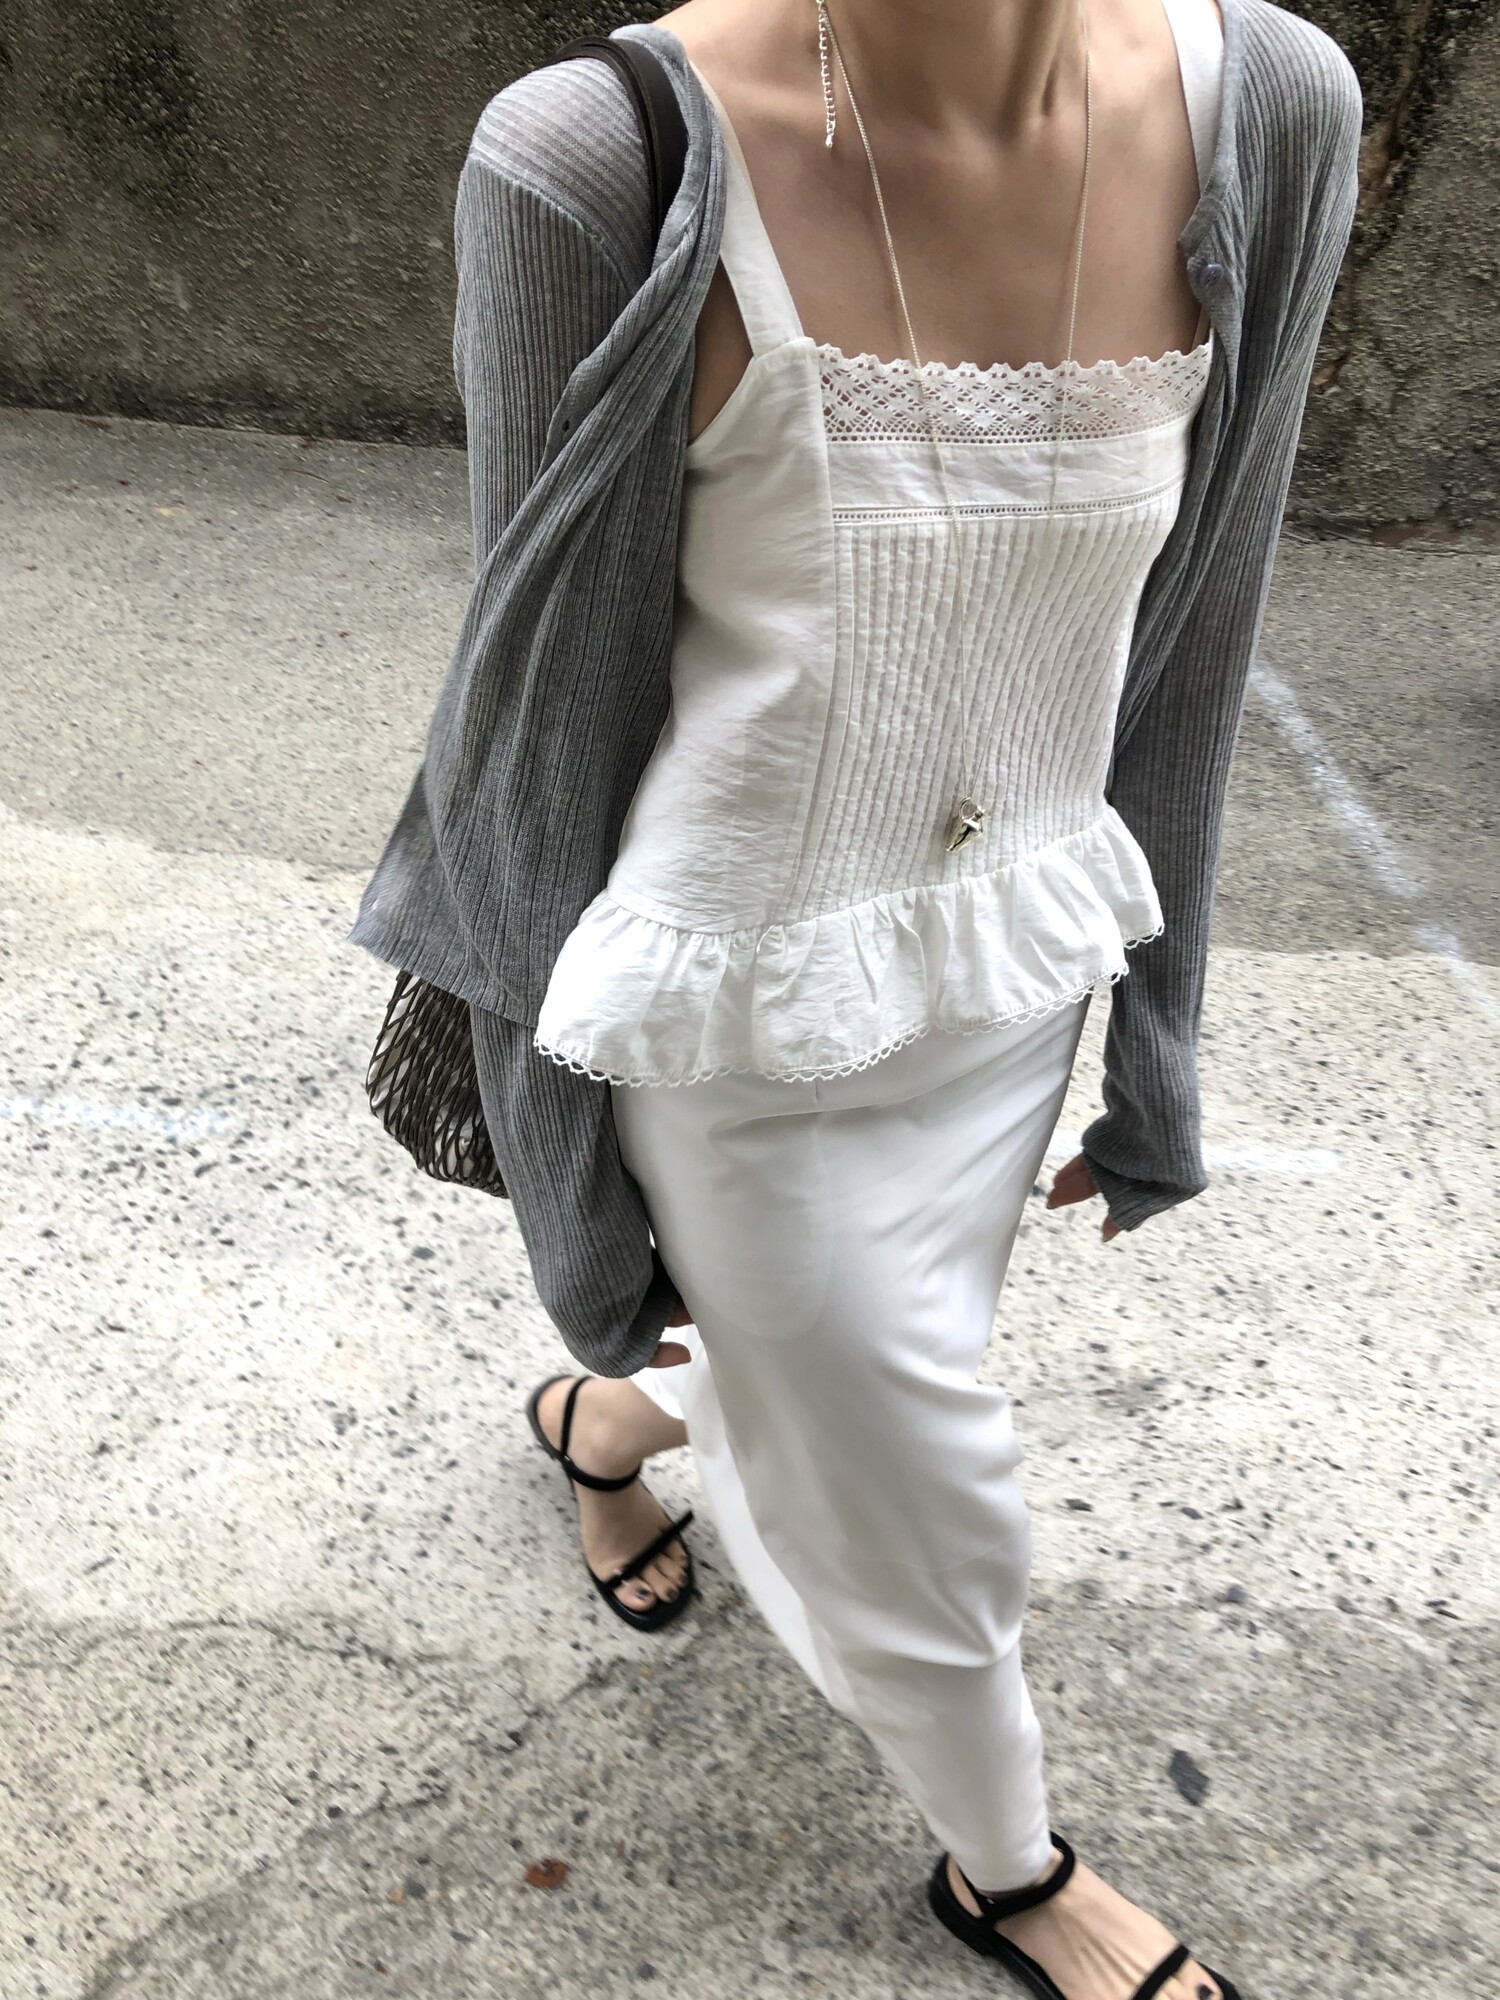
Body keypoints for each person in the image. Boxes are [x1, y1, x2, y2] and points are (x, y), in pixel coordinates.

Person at [352, 2, 1362, 1993]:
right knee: (925, 1501)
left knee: (861, 1385)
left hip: (1016, 970)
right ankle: (1011, 1868)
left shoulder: (1270, 110)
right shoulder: (602, 159)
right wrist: (568, 1186)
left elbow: (1197, 628)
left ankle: (609, 1430)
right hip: (746, 1022)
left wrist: (1157, 1039)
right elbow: (524, 742)